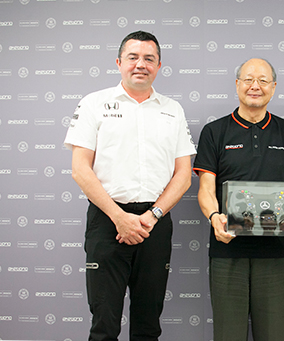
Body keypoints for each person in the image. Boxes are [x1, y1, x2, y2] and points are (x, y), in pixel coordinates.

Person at [64, 31, 196, 340]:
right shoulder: (94, 103)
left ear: (159, 66)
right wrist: (119, 217)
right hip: (107, 221)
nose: (141, 64)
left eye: (149, 59)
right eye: (133, 57)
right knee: (104, 323)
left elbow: (184, 175)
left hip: (155, 223)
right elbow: (80, 170)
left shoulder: (172, 109)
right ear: (119, 63)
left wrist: (151, 217)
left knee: (148, 324)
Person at [193, 58, 284, 341]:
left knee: (272, 335)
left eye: (262, 80)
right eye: (248, 79)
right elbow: (206, 188)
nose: (254, 86)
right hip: (227, 250)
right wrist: (214, 217)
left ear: (273, 87)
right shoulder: (215, 132)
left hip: (276, 253)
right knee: (228, 335)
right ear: (237, 85)